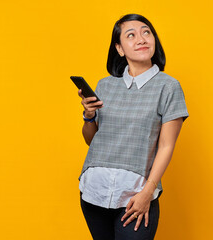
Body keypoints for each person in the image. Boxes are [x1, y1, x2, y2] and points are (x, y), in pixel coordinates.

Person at [76, 13, 189, 240]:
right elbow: (92, 139)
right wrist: (88, 116)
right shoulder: (105, 85)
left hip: (135, 194)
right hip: (94, 191)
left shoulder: (168, 87)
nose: (142, 39)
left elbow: (167, 145)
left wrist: (148, 192)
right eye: (131, 35)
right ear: (119, 48)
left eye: (147, 32)